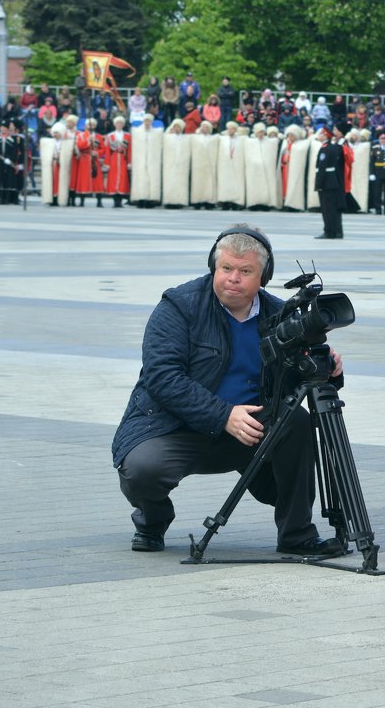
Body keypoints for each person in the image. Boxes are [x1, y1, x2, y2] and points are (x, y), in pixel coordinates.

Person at [112, 227, 345, 556]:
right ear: (213, 267)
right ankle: (153, 520)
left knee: (298, 422)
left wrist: (330, 371)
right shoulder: (178, 307)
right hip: (175, 428)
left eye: (245, 271)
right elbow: (162, 377)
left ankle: (297, 533)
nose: (233, 278)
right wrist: (222, 415)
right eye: (226, 269)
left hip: (250, 429)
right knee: (142, 470)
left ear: (264, 276)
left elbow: (294, 381)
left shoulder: (280, 315)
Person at [315, 123, 346, 239]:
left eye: (321, 133)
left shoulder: (325, 149)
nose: (319, 135)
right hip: (333, 181)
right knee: (332, 208)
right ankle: (336, 231)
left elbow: (321, 169)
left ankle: (329, 231)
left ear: (325, 136)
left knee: (327, 209)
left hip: (326, 182)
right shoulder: (333, 147)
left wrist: (318, 184)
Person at [103, 114, 131, 208]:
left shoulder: (127, 135)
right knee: (113, 179)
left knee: (123, 179)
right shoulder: (110, 136)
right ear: (115, 124)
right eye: (117, 123)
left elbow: (129, 150)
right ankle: (115, 201)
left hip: (123, 158)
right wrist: (107, 163)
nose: (119, 125)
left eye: (121, 123)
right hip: (114, 158)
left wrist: (129, 162)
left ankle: (120, 200)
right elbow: (107, 150)